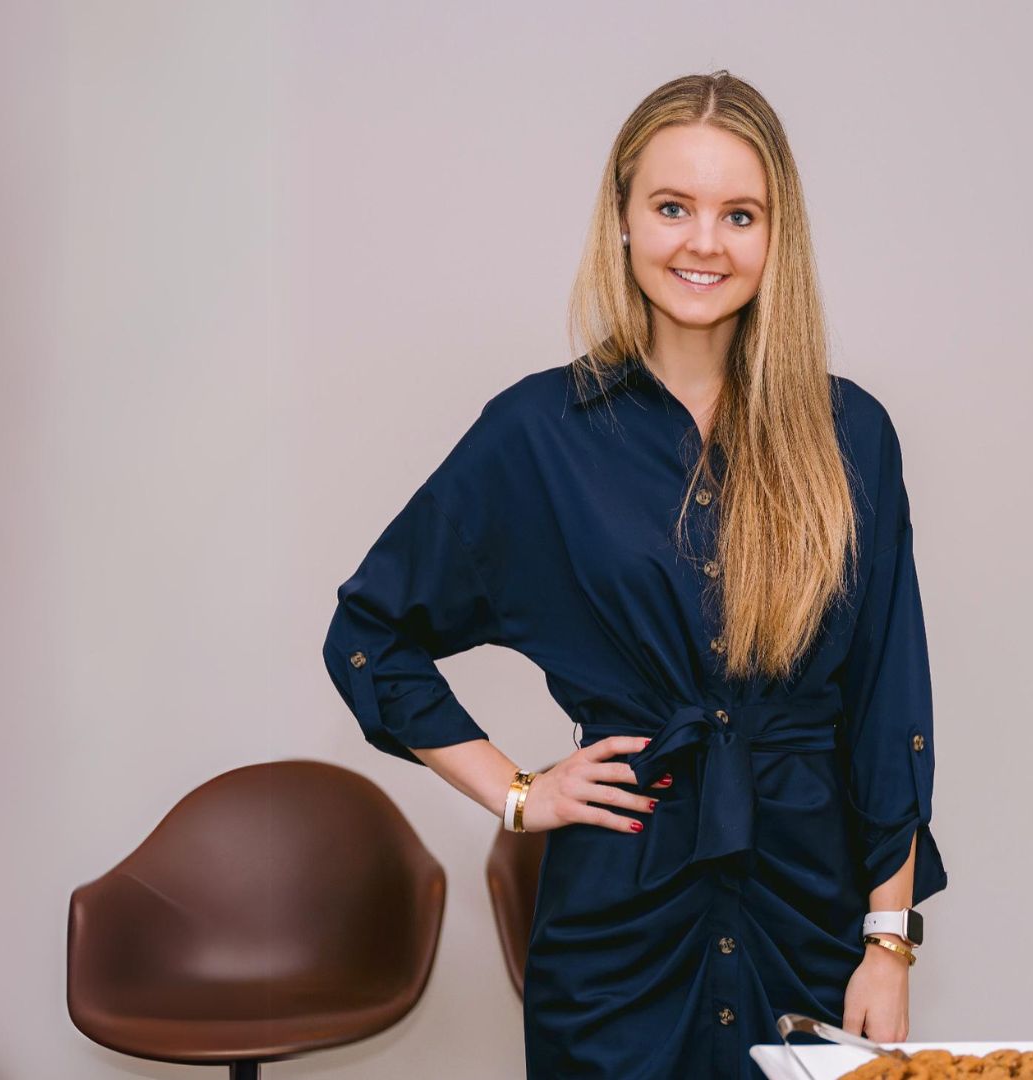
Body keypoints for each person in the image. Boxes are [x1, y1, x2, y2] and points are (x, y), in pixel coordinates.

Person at [322, 69, 945, 1079]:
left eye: (739, 214)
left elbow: (888, 706)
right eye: (671, 207)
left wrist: (889, 943)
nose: (705, 243)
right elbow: (369, 634)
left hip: (811, 920)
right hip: (619, 926)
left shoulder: (852, 436)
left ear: (777, 234)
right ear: (621, 217)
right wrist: (518, 794)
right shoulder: (539, 434)